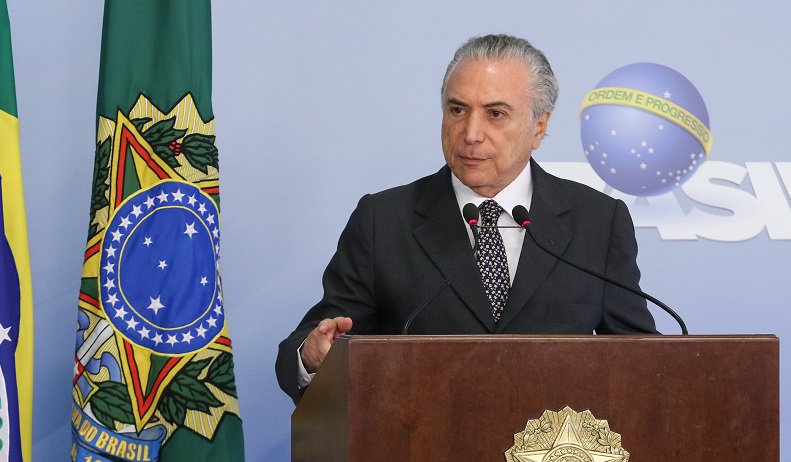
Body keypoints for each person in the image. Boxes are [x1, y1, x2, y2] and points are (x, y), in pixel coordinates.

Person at [276, 34, 657, 403]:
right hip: (417, 452)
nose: (471, 133)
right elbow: (317, 337)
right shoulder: (383, 220)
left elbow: (641, 361)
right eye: (457, 110)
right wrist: (312, 355)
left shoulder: (598, 221)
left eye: (495, 114)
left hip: (555, 459)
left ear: (539, 126)